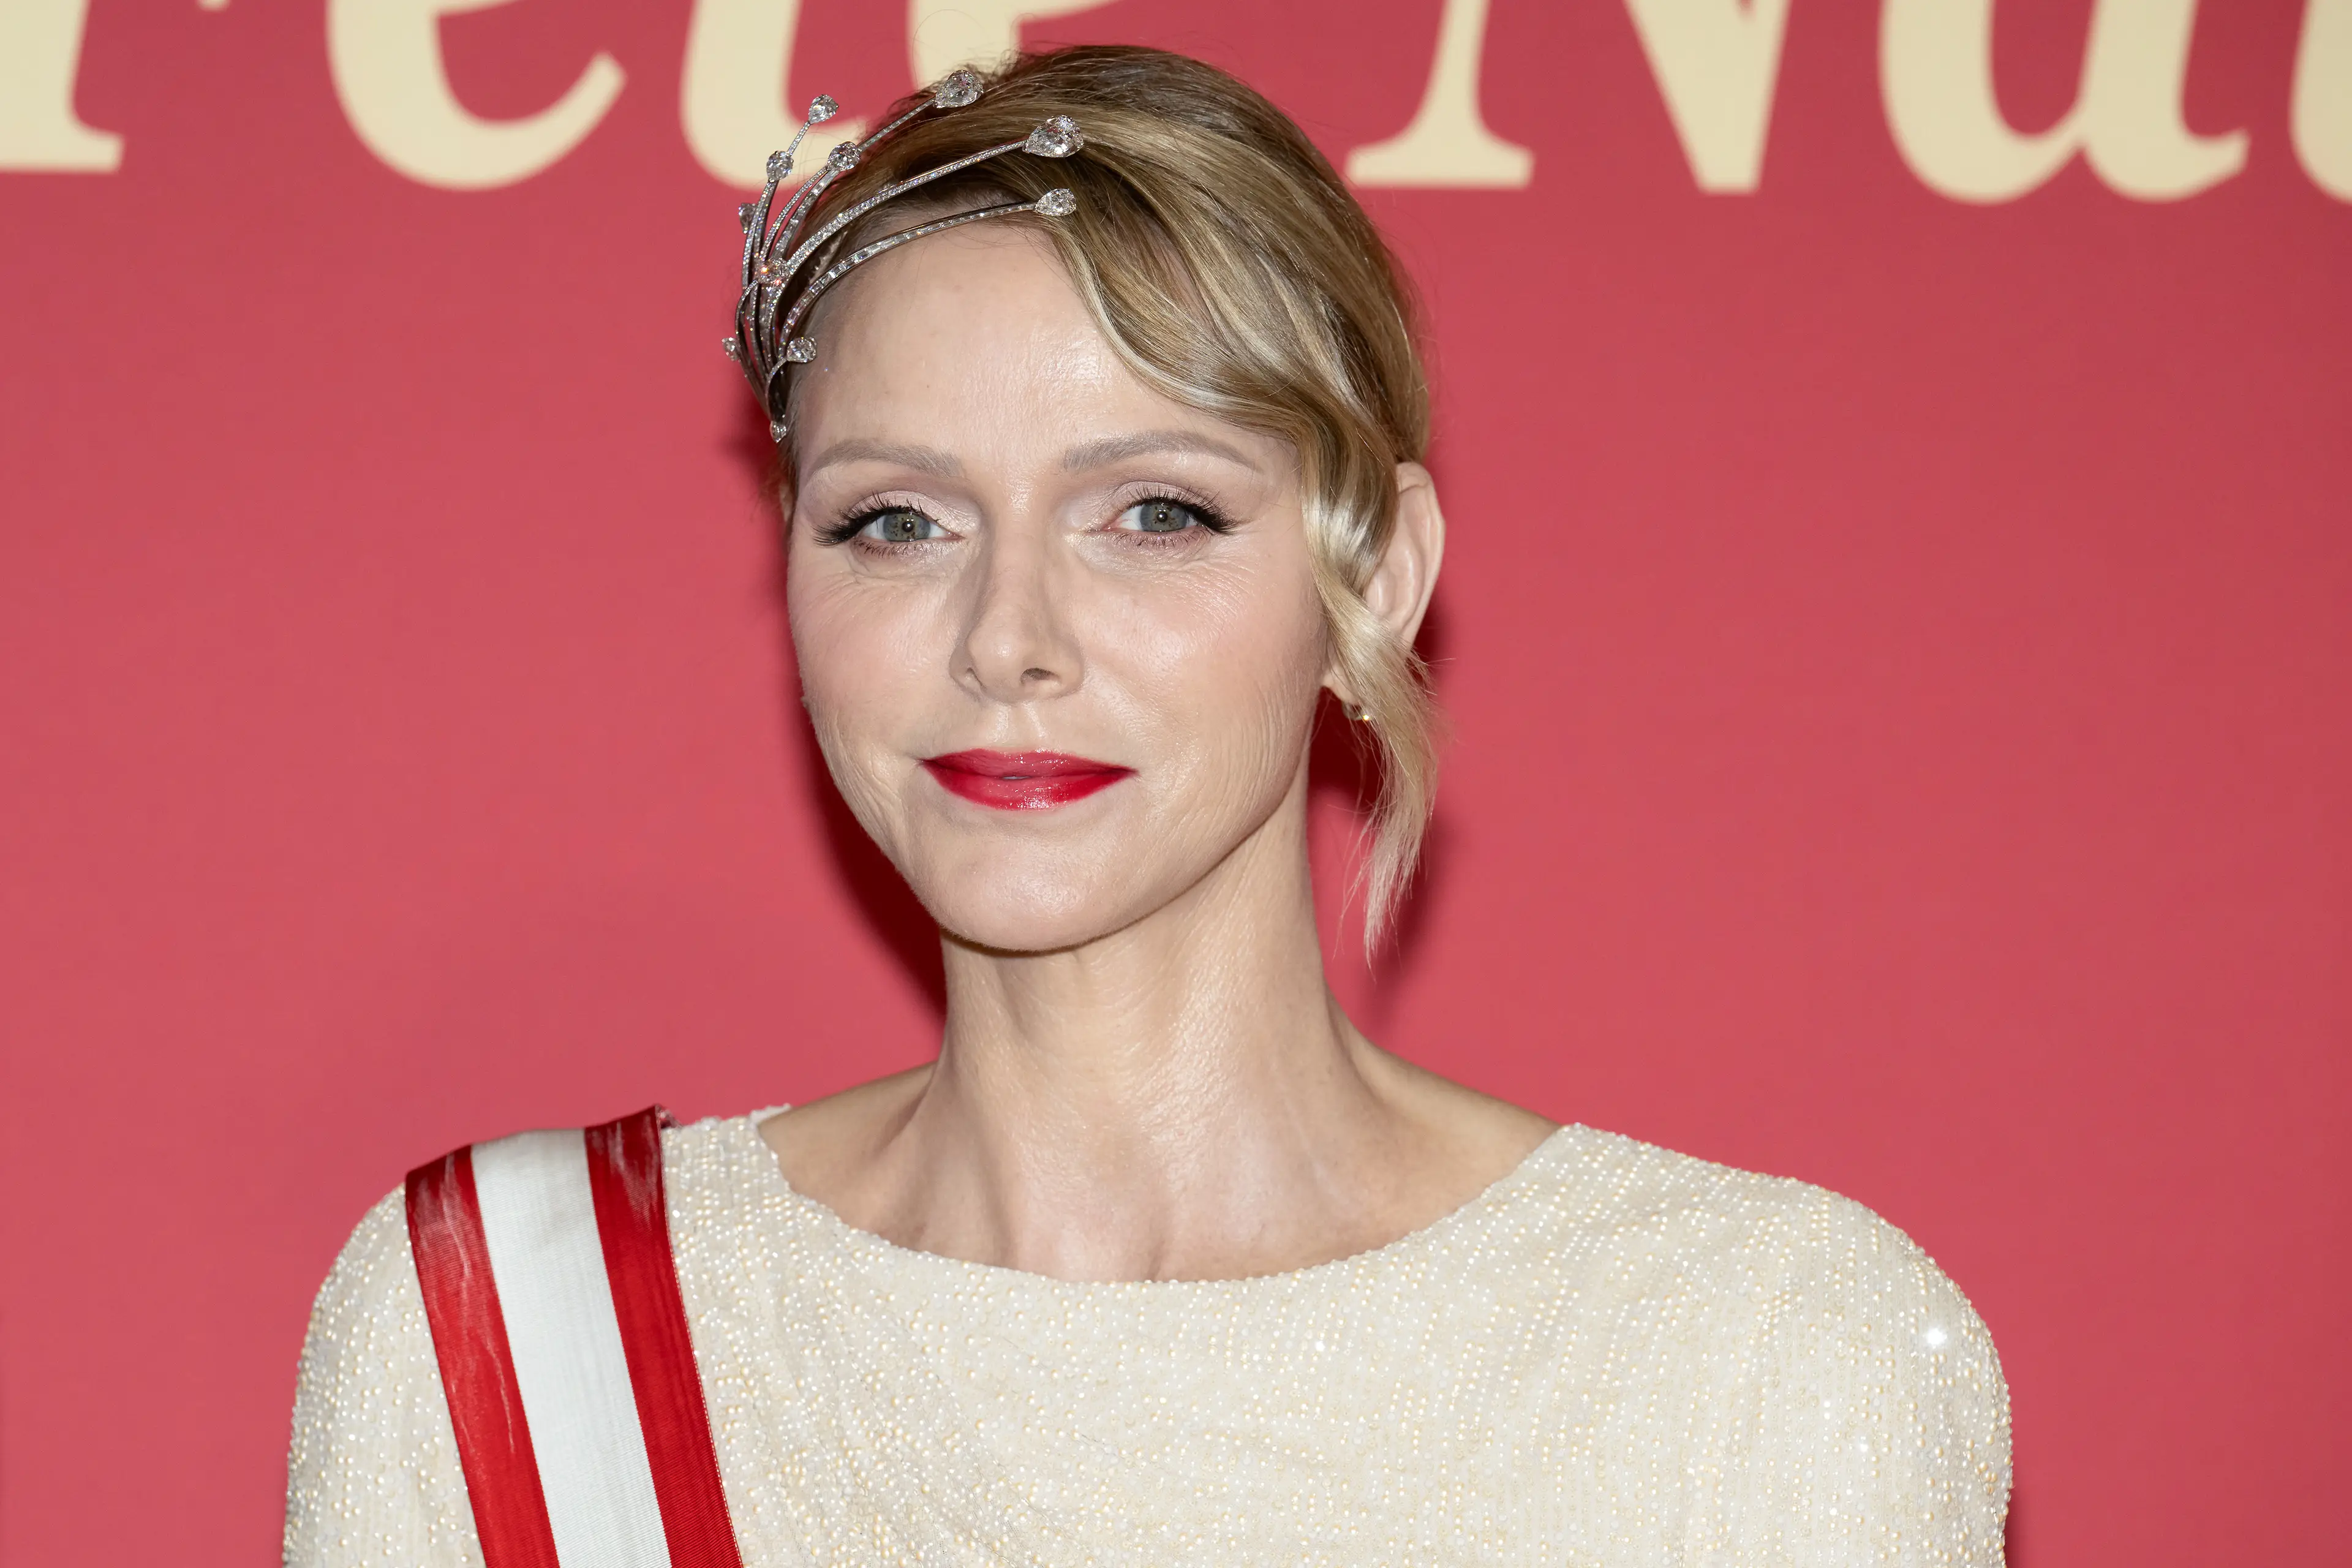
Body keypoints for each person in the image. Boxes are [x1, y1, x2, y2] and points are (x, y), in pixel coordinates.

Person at [285, 45, 2008, 1567]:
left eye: (1157, 514)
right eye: (897, 522)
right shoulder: (510, 1338)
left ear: (1375, 576)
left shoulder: (1764, 1358)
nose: (1006, 640)